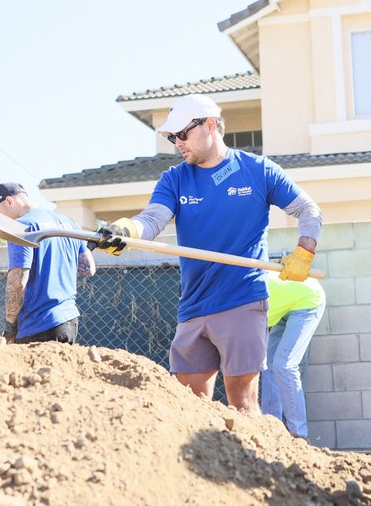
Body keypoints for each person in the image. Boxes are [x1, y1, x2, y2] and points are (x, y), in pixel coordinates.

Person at [90, 94, 323, 413]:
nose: (177, 143)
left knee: (242, 405)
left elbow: (308, 210)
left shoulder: (257, 171)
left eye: (182, 135)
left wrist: (305, 250)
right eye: (172, 138)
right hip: (194, 305)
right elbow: (153, 218)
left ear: (210, 125)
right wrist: (126, 231)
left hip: (242, 301)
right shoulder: (174, 179)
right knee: (192, 408)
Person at [0, 182, 93, 344]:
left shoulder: (21, 227)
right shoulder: (70, 223)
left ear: (9, 201)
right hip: (69, 320)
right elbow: (88, 269)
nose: (1, 220)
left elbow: (17, 283)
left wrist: (10, 326)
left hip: (38, 325)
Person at [260, 271, 326, 438]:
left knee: (284, 364)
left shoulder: (243, 300)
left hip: (307, 300)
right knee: (268, 364)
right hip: (285, 304)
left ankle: (298, 434)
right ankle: (270, 427)